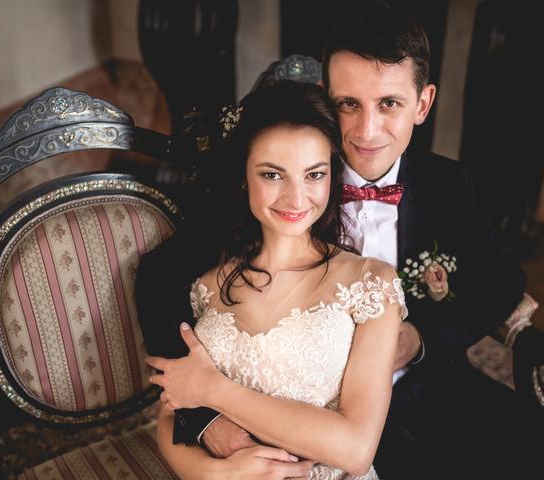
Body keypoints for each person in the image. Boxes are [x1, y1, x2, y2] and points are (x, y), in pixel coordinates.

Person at [138, 2, 544, 479]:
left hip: (430, 388)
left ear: (422, 104)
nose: (367, 131)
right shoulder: (284, 187)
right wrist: (205, 416)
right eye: (348, 104)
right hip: (310, 416)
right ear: (326, 98)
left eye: (389, 103)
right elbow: (160, 280)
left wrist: (422, 339)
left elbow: (502, 281)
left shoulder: (448, 186)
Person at [141, 80, 406, 478]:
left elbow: (355, 448)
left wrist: (215, 391)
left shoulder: (370, 284)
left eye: (314, 174)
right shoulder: (205, 284)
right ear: (243, 176)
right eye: (272, 175)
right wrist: (215, 474)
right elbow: (170, 412)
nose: (296, 199)